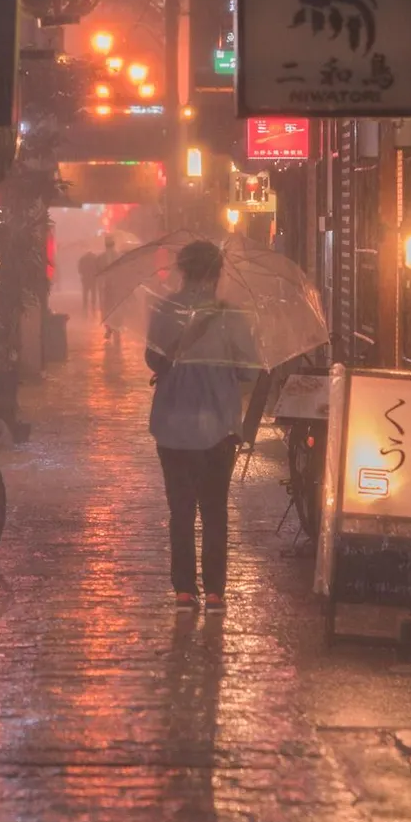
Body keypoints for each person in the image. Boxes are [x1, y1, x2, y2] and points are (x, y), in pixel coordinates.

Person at [145, 239, 258, 612]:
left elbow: (152, 358)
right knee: (214, 510)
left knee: (180, 510)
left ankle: (183, 589)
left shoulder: (165, 310)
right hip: (218, 427)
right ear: (217, 272)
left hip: (173, 425)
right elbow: (247, 370)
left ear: (183, 269)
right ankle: (214, 592)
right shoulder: (230, 314)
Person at [77, 250, 101, 317]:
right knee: (93, 293)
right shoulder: (96, 259)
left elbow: (79, 270)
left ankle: (85, 306)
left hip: (85, 278)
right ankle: (93, 305)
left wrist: (84, 273)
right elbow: (99, 268)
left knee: (85, 293)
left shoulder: (82, 259)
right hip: (93, 279)